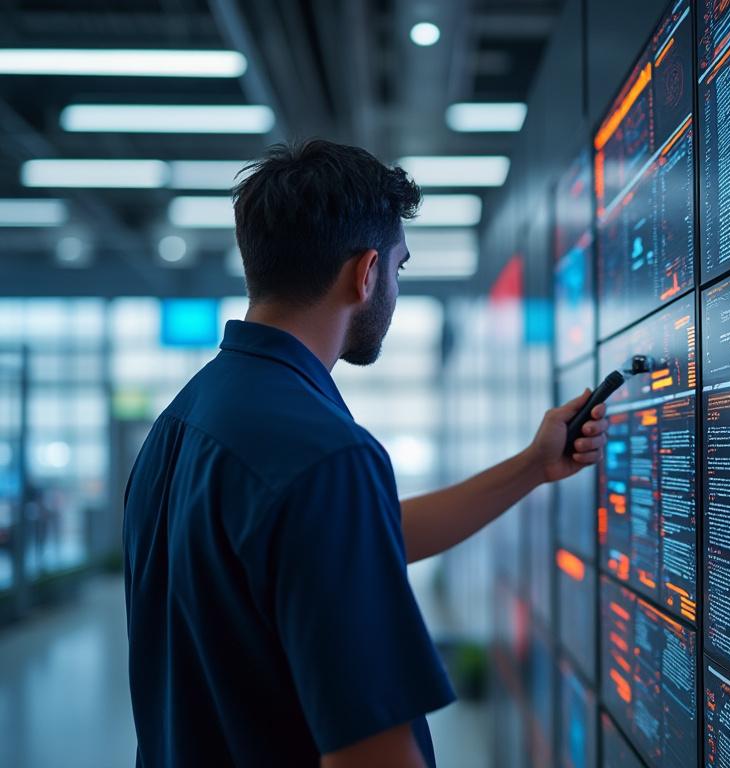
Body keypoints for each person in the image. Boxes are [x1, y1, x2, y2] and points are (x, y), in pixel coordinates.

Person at [122, 139, 609, 768]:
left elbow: (343, 542)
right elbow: (372, 755)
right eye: (399, 267)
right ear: (367, 272)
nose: (395, 289)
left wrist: (532, 467)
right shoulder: (324, 453)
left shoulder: (183, 421)